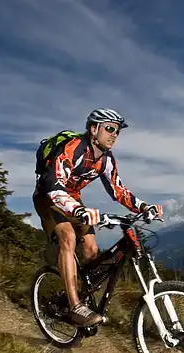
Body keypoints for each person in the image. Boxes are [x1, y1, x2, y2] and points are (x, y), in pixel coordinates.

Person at [33, 108, 163, 327]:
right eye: (110, 128)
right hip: (49, 198)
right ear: (94, 129)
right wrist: (77, 211)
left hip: (73, 200)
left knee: (92, 249)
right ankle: (75, 307)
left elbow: (118, 190)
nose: (114, 134)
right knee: (68, 237)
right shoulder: (72, 148)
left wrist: (142, 206)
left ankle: (82, 294)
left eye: (117, 131)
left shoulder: (106, 160)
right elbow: (53, 186)